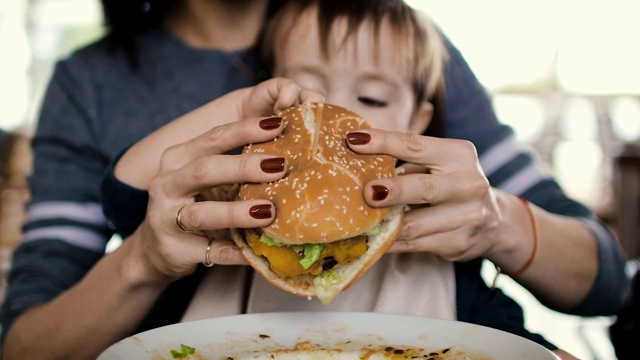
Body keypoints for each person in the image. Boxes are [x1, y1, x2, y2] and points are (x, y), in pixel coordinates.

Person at [0, 0, 624, 358]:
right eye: (308, 98)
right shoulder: (91, 82)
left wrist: (500, 220)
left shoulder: (385, 27)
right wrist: (148, 255)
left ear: (422, 121)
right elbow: (121, 199)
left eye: (373, 99)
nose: (340, 120)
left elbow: (603, 283)